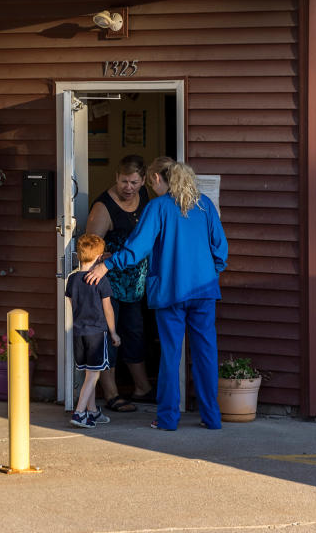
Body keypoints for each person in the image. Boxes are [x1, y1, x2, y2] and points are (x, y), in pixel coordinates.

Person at [85, 157, 228, 431]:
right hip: (204, 292)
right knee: (206, 355)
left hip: (170, 293)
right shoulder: (204, 205)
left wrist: (106, 265)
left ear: (159, 180)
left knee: (171, 356)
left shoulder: (158, 207)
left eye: (150, 181)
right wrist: (207, 272)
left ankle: (167, 419)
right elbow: (220, 251)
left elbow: (136, 249)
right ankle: (212, 418)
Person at [85, 155, 155, 413]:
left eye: (134, 182)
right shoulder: (103, 207)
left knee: (135, 333)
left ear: (144, 180)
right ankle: (111, 393)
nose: (129, 187)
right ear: (116, 177)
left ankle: (142, 388)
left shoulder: (145, 196)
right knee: (109, 335)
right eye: (124, 181)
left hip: (135, 285)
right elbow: (90, 247)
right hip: (108, 282)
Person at [66, 233, 121, 428]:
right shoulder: (101, 280)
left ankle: (92, 412)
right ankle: (80, 412)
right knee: (93, 375)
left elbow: (73, 306)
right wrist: (113, 333)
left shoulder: (72, 280)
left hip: (79, 333)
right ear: (100, 258)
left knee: (88, 373)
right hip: (96, 334)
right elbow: (108, 309)